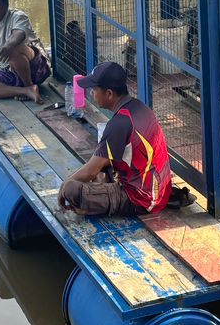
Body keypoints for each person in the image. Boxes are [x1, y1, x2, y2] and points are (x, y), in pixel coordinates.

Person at [59, 61, 172, 217]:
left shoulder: (119, 123)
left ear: (109, 94)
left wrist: (63, 187)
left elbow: (90, 171)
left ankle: (93, 204)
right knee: (101, 164)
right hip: (160, 191)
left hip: (142, 200)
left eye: (94, 89)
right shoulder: (140, 107)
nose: (92, 94)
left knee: (72, 189)